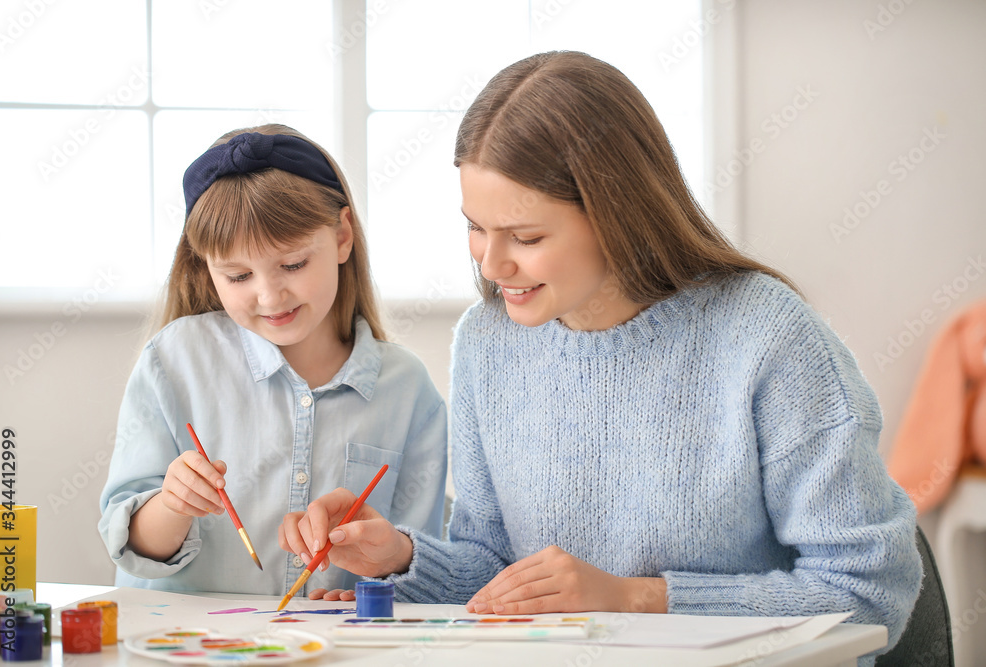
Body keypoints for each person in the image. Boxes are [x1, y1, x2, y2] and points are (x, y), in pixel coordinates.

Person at [280, 52, 921, 659]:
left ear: (616, 213)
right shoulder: (488, 342)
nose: (492, 262)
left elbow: (867, 594)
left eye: (526, 236)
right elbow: (496, 567)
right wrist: (397, 555)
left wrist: (636, 598)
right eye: (475, 227)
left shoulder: (767, 337)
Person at [99, 124, 447, 597]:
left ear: (342, 235)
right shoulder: (175, 360)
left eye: (293, 265)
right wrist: (172, 505)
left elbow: (414, 562)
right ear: (206, 266)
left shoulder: (406, 389)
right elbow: (130, 544)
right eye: (239, 275)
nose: (269, 295)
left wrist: (381, 583)